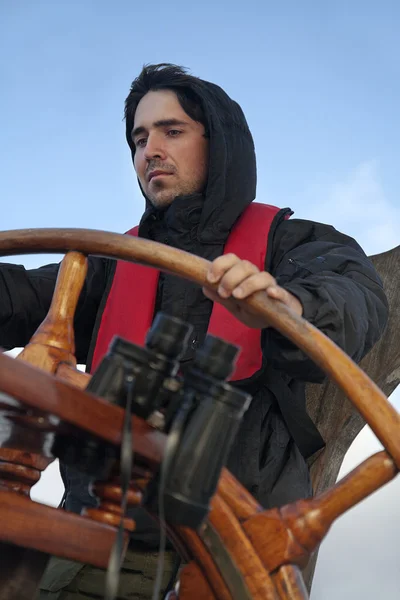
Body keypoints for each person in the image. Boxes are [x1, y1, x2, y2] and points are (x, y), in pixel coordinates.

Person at [0, 64, 388, 599]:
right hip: (100, 535)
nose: (149, 150)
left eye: (171, 131)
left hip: (232, 548)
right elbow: (17, 297)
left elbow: (355, 298)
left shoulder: (290, 240)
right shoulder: (108, 263)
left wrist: (286, 303)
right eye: (139, 139)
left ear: (220, 142)